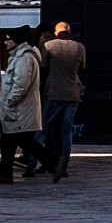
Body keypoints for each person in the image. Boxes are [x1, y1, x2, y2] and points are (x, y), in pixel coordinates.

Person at [0, 26, 48, 182]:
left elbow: (20, 85)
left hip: (19, 109)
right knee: (8, 141)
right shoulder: (19, 56)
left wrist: (9, 101)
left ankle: (54, 162)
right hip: (16, 109)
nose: (5, 43)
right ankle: (4, 174)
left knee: (23, 142)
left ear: (16, 41)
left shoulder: (24, 58)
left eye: (8, 39)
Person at [39, 22, 85, 181]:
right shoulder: (79, 48)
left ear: (55, 32)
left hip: (53, 92)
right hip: (72, 93)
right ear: (69, 31)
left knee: (43, 128)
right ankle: (64, 160)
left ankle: (33, 161)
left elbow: (43, 68)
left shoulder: (49, 46)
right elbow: (82, 69)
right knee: (66, 130)